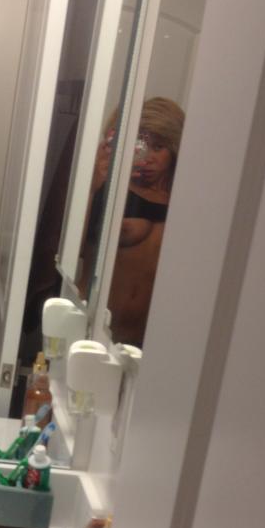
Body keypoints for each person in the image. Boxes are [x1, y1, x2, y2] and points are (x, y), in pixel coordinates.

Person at [78, 96, 185, 347]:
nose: (149, 158)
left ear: (174, 149)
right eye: (142, 146)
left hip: (148, 340)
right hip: (95, 330)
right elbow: (74, 250)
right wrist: (93, 185)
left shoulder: (183, 199)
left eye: (159, 147)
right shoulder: (111, 189)